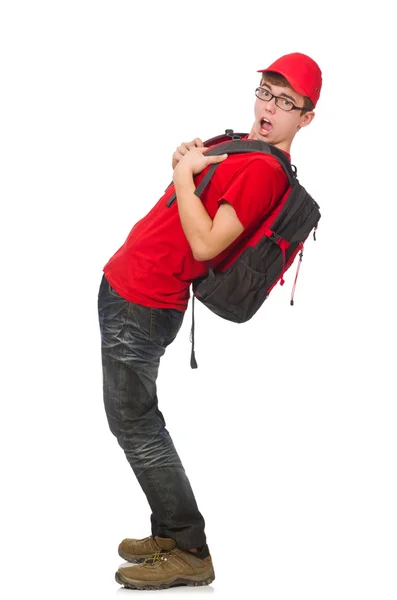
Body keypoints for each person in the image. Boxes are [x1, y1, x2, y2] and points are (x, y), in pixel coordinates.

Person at [97, 51, 322, 590]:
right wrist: (186, 163)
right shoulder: (243, 150)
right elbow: (191, 204)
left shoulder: (262, 171)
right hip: (134, 290)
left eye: (286, 102)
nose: (270, 107)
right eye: (266, 92)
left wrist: (181, 172)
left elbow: (204, 242)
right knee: (138, 421)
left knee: (136, 425)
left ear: (306, 117)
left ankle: (190, 548)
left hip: (144, 301)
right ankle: (170, 534)